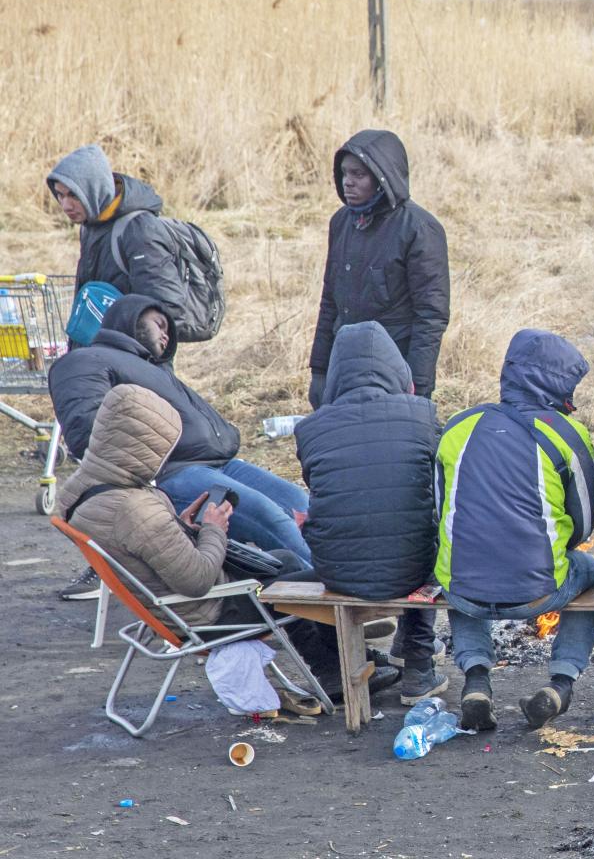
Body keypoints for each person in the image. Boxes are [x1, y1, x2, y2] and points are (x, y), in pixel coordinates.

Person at [57, 385, 381, 705]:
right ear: (141, 447)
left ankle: (333, 667)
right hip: (210, 614)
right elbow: (196, 580)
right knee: (318, 579)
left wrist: (183, 526)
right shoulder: (134, 509)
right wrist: (214, 529)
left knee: (284, 561)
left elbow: (148, 546)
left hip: (175, 607)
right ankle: (344, 666)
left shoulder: (92, 492)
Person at [49, 295, 311, 571]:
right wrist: (147, 463)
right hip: (171, 473)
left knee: (299, 503)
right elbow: (84, 432)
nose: (165, 335)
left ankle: (340, 575)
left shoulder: (156, 369)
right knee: (269, 516)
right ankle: (325, 594)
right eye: (159, 324)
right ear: (130, 319)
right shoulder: (84, 361)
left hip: (222, 465)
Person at [434, 329, 594, 733]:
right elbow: (583, 523)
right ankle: (560, 683)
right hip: (538, 589)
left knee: (457, 574)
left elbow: (442, 513)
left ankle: (476, 681)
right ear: (558, 383)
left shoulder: (459, 426)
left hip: (466, 590)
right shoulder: (566, 433)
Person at [295, 322, 446, 705]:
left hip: (339, 573)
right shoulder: (424, 416)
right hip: (412, 570)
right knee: (428, 538)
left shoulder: (310, 429)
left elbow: (325, 495)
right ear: (397, 369)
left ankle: (344, 661)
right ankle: (418, 668)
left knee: (307, 553)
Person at [307, 130, 450, 409]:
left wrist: (417, 388)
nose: (348, 182)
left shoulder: (420, 229)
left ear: (383, 176)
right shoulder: (341, 223)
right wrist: (320, 370)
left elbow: (431, 316)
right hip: (345, 363)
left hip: (394, 369)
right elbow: (330, 301)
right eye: (344, 173)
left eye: (359, 174)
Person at [45, 144, 194, 331]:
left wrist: (123, 348)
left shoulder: (140, 230)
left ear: (96, 189)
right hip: (100, 352)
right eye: (60, 194)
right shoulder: (91, 225)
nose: (65, 205)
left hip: (130, 355)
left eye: (73, 195)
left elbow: (167, 310)